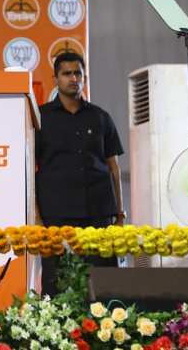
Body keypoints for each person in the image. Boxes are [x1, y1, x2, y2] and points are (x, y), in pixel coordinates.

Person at [35, 52, 125, 296]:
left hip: (98, 212)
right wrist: (36, 217)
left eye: (78, 73)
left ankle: (107, 330)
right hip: (56, 214)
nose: (73, 78)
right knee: (56, 282)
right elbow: (28, 170)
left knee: (105, 283)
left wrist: (120, 214)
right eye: (67, 74)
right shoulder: (40, 118)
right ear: (55, 78)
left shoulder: (101, 117)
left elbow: (113, 167)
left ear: (84, 77)